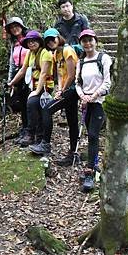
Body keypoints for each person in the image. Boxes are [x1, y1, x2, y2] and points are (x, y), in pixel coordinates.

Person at [29, 28, 79, 164]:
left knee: (47, 109)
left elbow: (72, 74)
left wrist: (62, 90)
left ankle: (45, 143)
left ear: (58, 37)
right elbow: (61, 75)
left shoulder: (67, 50)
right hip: (67, 90)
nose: (51, 42)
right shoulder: (57, 53)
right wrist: (60, 89)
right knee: (72, 121)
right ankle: (73, 154)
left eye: (53, 39)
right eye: (48, 41)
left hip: (73, 90)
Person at [75, 29, 112, 192]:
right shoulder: (81, 62)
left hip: (99, 102)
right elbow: (77, 83)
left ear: (95, 41)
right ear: (81, 44)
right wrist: (82, 95)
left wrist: (94, 95)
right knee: (90, 135)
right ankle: (94, 164)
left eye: (90, 40)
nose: (88, 44)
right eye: (84, 41)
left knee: (93, 135)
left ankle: (90, 171)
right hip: (86, 101)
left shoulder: (103, 58)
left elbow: (107, 82)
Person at [7, 30, 54, 148]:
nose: (31, 44)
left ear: (39, 41)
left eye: (34, 41)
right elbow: (23, 70)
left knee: (33, 104)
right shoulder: (30, 54)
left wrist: (37, 92)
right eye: (29, 42)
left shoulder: (45, 54)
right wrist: (12, 82)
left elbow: (43, 73)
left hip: (44, 87)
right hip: (33, 86)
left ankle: (34, 136)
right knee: (35, 108)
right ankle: (34, 136)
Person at [4, 17, 30, 140]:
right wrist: (10, 80)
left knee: (30, 103)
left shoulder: (30, 39)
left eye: (16, 26)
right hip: (17, 75)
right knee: (22, 103)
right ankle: (25, 128)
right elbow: (12, 63)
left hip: (29, 74)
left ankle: (31, 130)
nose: (15, 29)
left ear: (21, 26)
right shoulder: (14, 43)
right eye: (12, 28)